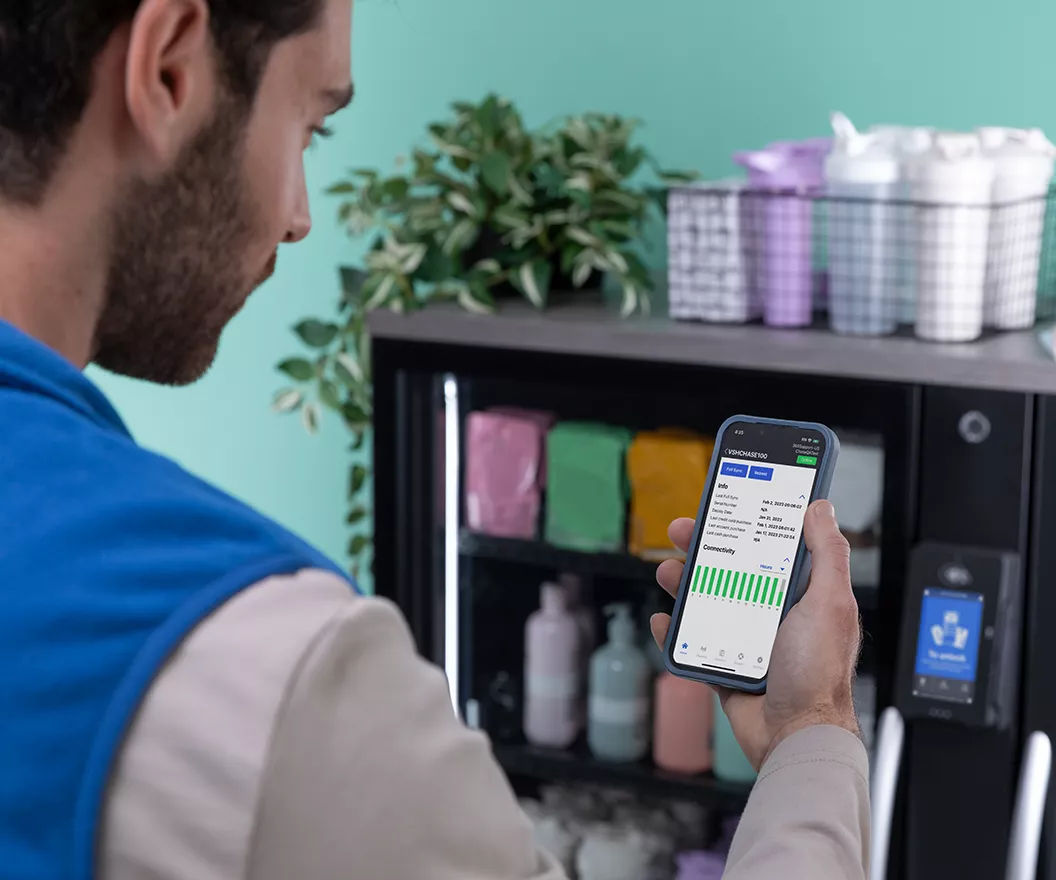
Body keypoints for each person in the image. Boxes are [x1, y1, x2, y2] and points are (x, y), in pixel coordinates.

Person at [0, 1, 868, 878]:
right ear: (168, 70)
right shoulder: (265, 669)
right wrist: (813, 734)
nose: (299, 217)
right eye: (311, 125)